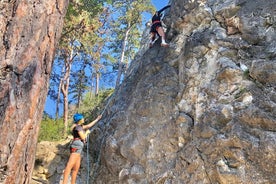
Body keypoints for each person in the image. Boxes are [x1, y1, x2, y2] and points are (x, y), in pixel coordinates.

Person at [62, 113, 102, 184]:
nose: (84, 119)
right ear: (79, 120)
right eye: (82, 118)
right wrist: (87, 133)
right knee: (69, 166)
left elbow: (89, 125)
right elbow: (83, 137)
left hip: (78, 148)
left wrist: (97, 119)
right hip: (76, 147)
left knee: (76, 168)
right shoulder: (78, 127)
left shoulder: (80, 127)